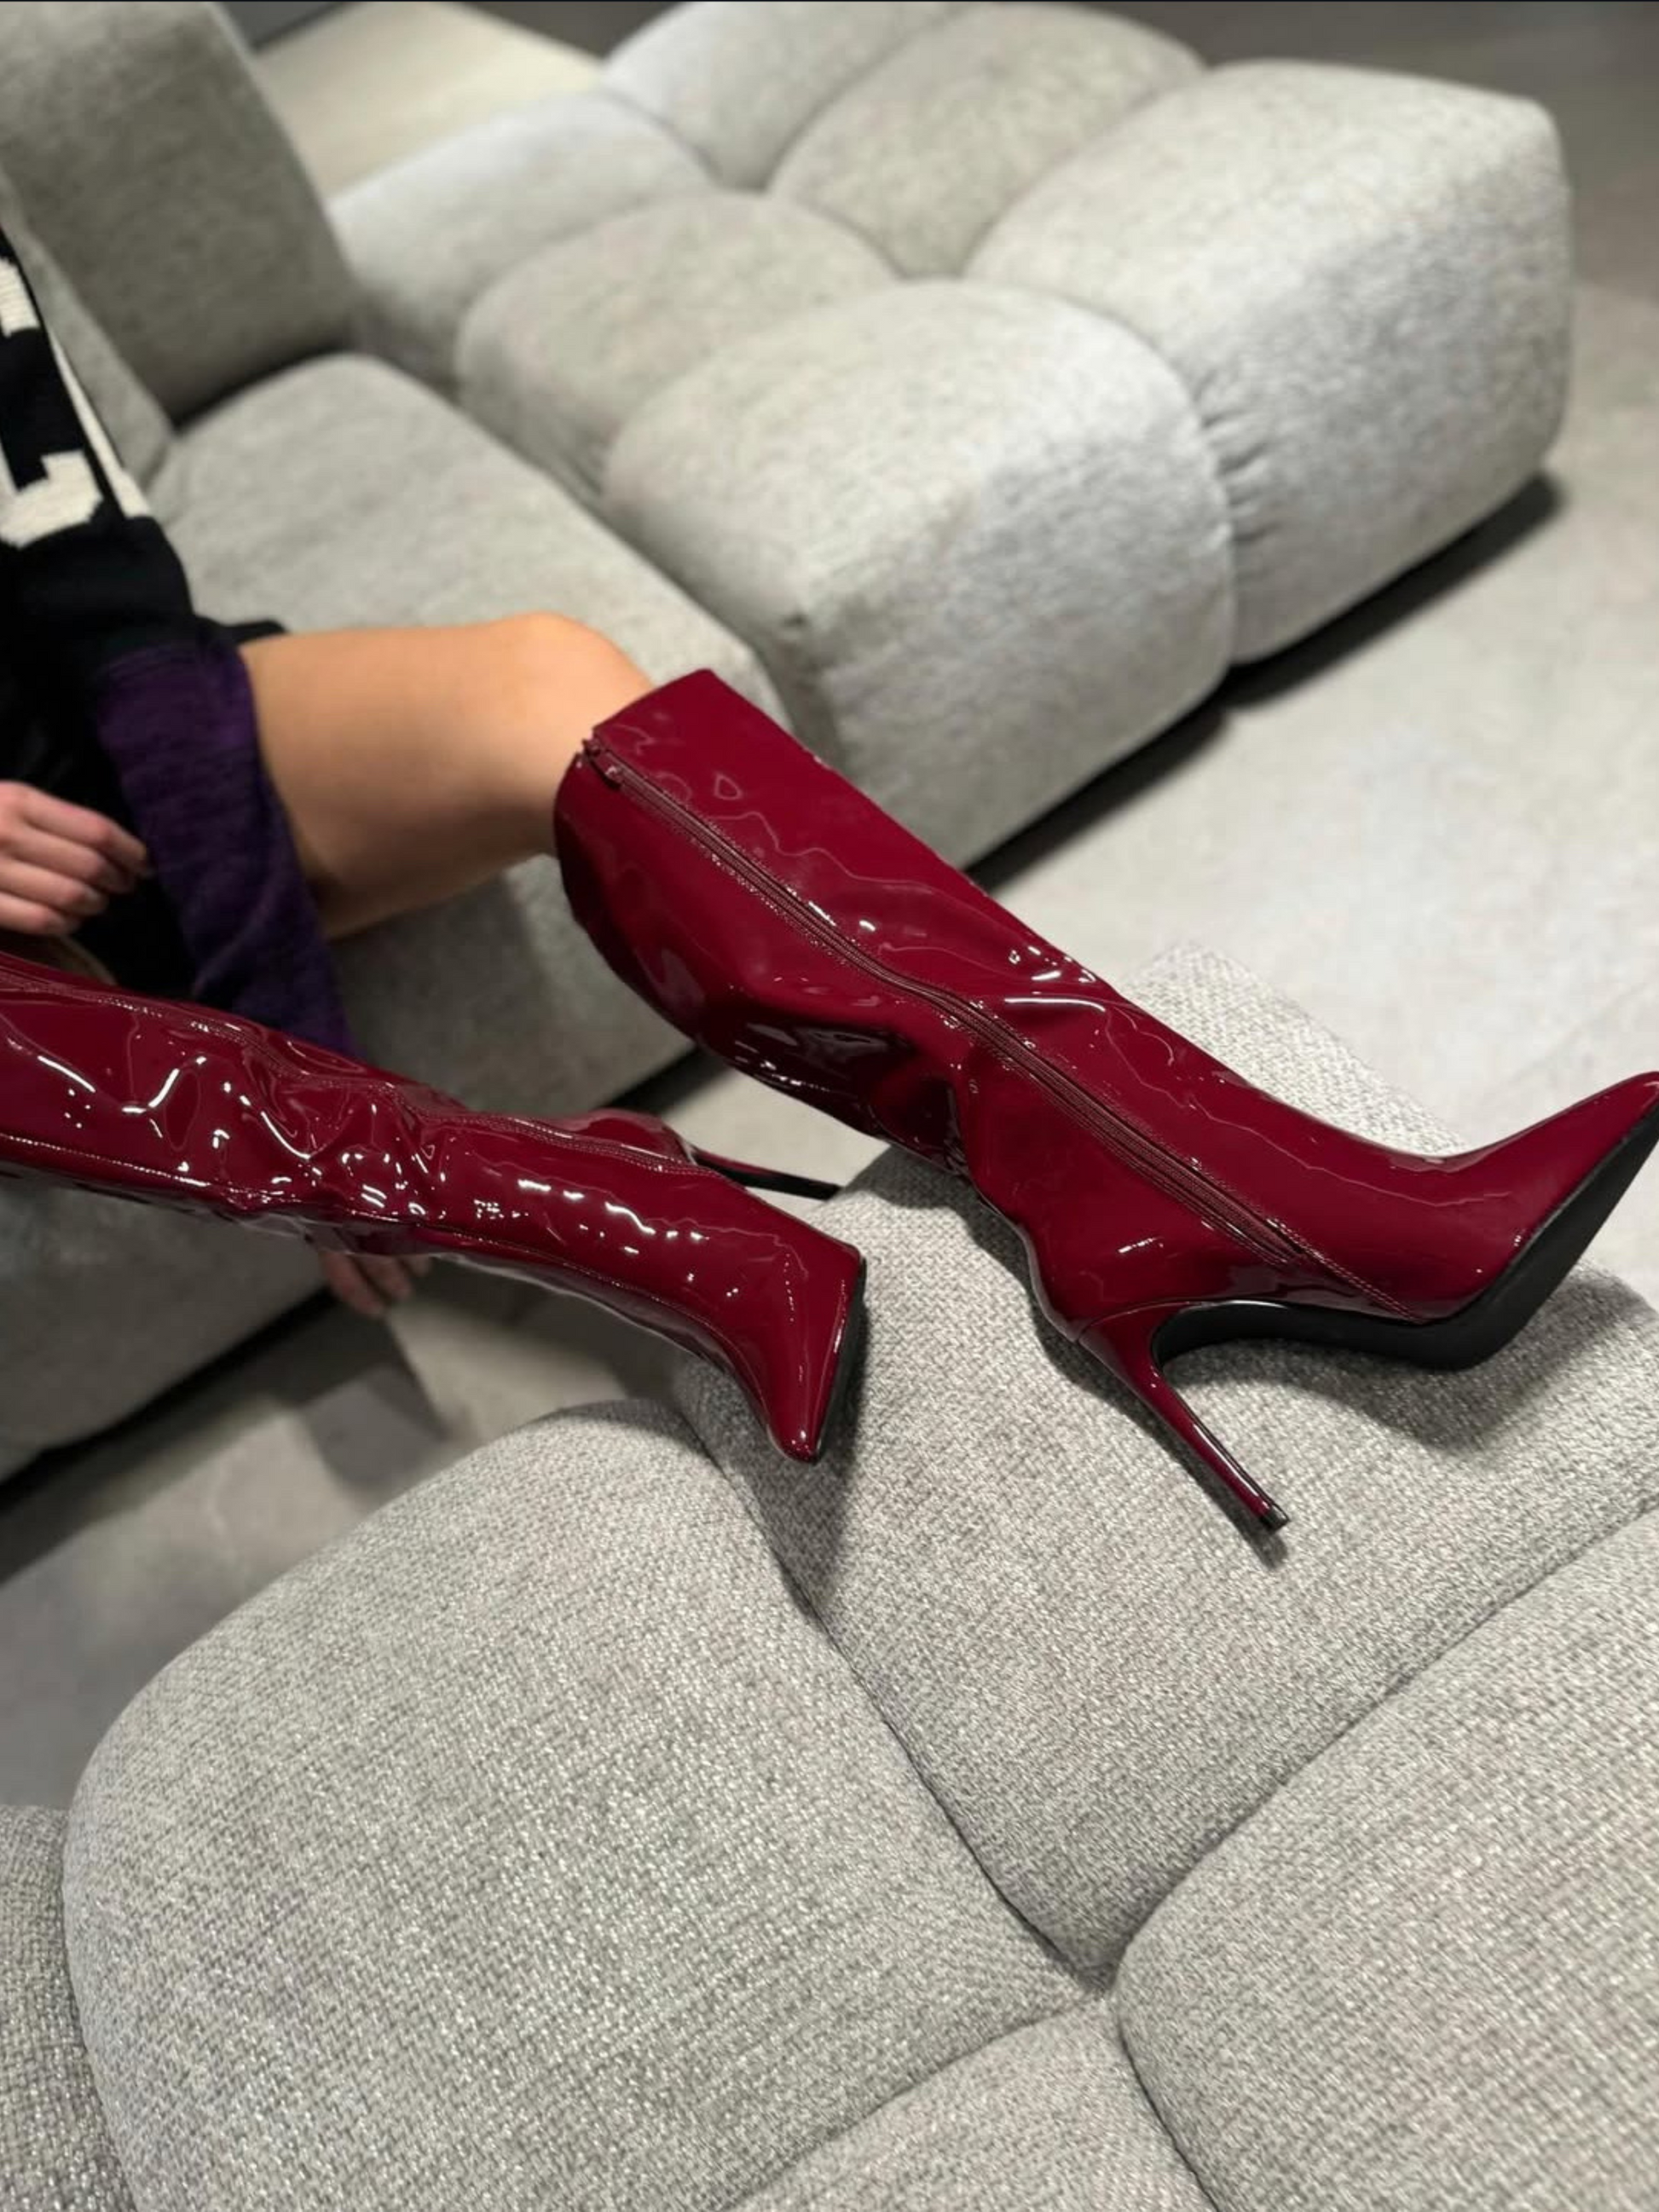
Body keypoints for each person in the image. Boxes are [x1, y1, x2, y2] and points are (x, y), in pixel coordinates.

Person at [0, 217, 650, 1317]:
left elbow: (120, 618)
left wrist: (298, 1059)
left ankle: (972, 1063)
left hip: (99, 768)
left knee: (555, 689)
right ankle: (680, 1247)